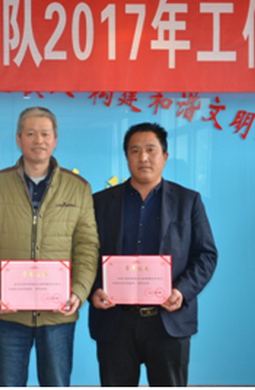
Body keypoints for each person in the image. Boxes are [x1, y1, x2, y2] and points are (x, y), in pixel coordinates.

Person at [0, 106, 100, 386]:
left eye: (45, 134)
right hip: (7, 312)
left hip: (58, 314)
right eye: (30, 134)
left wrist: (79, 292)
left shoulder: (78, 187)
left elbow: (87, 246)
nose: (38, 140)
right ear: (18, 139)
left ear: (55, 140)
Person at [89, 122, 218, 387]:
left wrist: (182, 291)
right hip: (115, 321)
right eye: (135, 151)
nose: (143, 158)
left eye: (151, 150)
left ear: (165, 156)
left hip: (168, 320)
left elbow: (206, 255)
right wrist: (94, 289)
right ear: (126, 156)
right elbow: (86, 253)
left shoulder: (188, 201)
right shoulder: (100, 202)